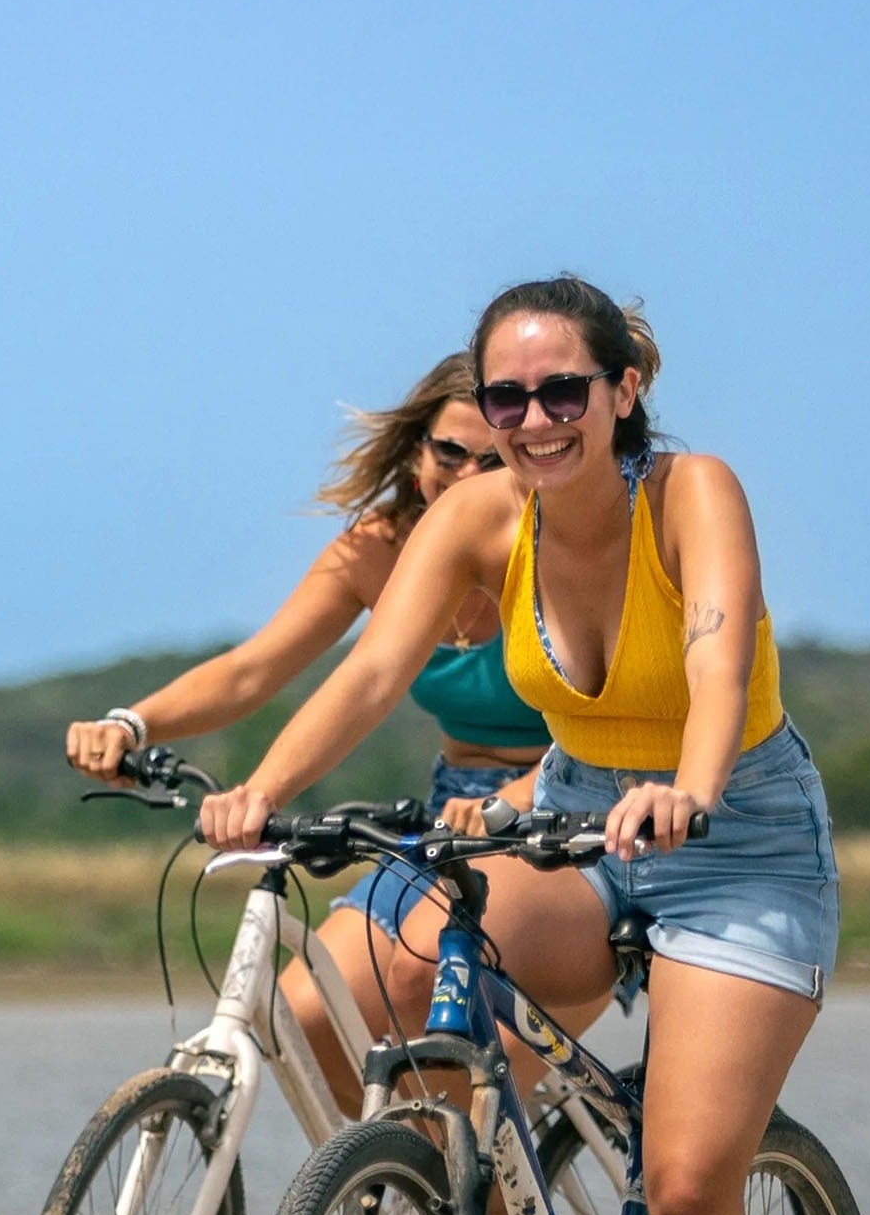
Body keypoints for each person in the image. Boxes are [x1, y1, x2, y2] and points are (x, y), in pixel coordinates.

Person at [197, 275, 839, 1215]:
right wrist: (265, 789)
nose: (535, 418)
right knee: (394, 961)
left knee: (686, 1192)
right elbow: (372, 673)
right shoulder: (487, 513)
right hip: (579, 820)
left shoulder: (691, 494)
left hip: (736, 842)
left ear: (624, 392)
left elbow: (717, 658)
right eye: (508, 397)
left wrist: (695, 785)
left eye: (562, 391)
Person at [64, 350, 547, 1097]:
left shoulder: (556, 548)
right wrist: (132, 723)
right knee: (303, 1014)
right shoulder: (381, 550)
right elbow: (251, 670)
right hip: (453, 804)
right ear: (417, 448)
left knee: (433, 1013)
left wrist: (519, 793)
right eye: (448, 452)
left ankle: (480, 1210)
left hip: (563, 800)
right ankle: (399, 1186)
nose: (463, 477)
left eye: (489, 461)